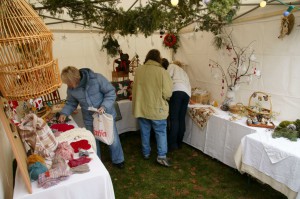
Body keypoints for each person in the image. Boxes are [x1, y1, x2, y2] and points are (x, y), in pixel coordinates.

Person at [58, 66, 125, 169]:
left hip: (105, 115)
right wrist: (64, 113)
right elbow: (71, 102)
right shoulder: (71, 88)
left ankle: (118, 160)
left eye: (68, 82)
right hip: (89, 118)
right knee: (92, 140)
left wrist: (104, 106)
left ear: (75, 79)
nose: (68, 85)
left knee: (112, 138)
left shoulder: (97, 79)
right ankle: (97, 162)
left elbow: (110, 92)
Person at [132, 49, 173, 167]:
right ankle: (161, 156)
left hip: (141, 107)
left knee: (145, 131)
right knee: (160, 132)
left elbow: (135, 89)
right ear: (158, 58)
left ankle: (146, 153)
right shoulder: (162, 72)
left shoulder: (138, 70)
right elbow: (168, 93)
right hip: (157, 108)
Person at [162, 59, 191, 152]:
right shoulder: (184, 72)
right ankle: (179, 142)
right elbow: (189, 86)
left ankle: (172, 144)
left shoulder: (172, 66)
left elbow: (166, 78)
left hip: (177, 91)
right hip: (186, 94)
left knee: (174, 119)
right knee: (181, 119)